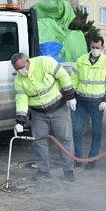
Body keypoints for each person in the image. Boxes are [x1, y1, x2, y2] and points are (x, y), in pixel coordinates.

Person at [11, 52, 77, 181]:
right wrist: (20, 121)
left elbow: (63, 75)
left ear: (27, 62)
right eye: (17, 69)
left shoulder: (45, 62)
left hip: (58, 108)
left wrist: (70, 96)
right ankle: (43, 170)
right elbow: (21, 99)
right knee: (39, 141)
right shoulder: (19, 80)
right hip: (38, 114)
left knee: (65, 139)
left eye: (21, 68)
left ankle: (68, 170)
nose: (20, 72)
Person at [71, 35, 106, 169]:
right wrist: (71, 96)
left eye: (98, 47)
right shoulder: (81, 61)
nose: (95, 49)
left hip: (98, 103)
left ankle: (92, 160)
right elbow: (73, 78)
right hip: (82, 102)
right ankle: (77, 159)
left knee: (97, 132)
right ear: (89, 47)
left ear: (102, 47)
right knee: (76, 130)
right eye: (93, 47)